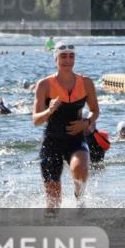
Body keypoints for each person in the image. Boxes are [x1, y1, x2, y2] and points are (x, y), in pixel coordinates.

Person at [32, 43, 98, 210]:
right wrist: (49, 110)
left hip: (75, 139)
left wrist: (87, 122)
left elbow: (95, 111)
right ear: (56, 59)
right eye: (63, 56)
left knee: (80, 167)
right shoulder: (44, 85)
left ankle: (80, 202)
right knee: (54, 204)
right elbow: (36, 120)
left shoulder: (86, 83)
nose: (67, 60)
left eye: (71, 56)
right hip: (52, 142)